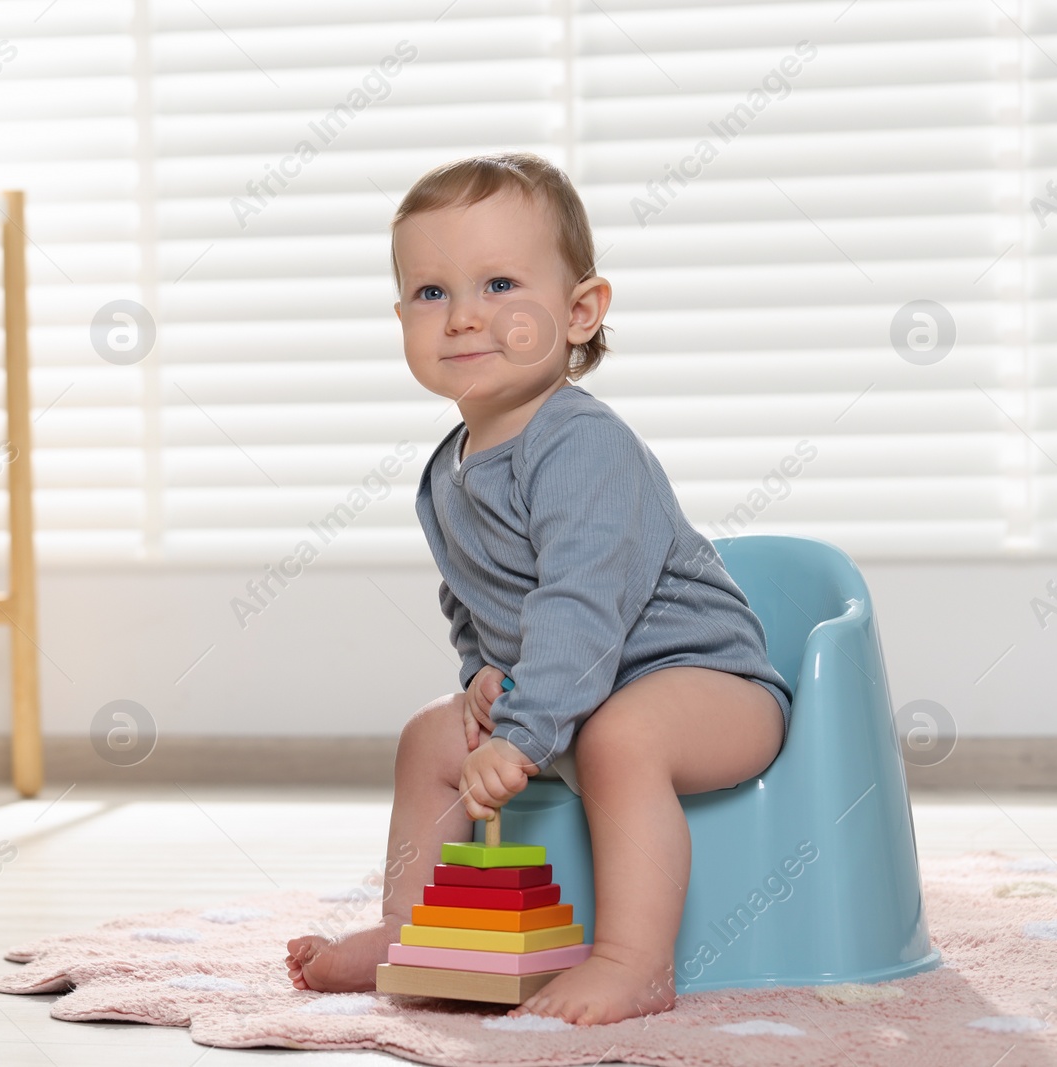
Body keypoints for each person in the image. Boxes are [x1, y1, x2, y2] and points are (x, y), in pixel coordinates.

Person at [283, 152, 794, 1026]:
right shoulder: (449, 468)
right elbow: (476, 597)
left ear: (580, 311)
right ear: (401, 315)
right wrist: (485, 676)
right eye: (432, 293)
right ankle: (415, 933)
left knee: (622, 736)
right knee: (429, 735)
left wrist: (522, 732)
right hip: (566, 697)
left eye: (500, 283)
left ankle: (635, 960)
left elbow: (580, 609)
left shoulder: (582, 445)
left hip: (704, 688)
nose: (464, 316)